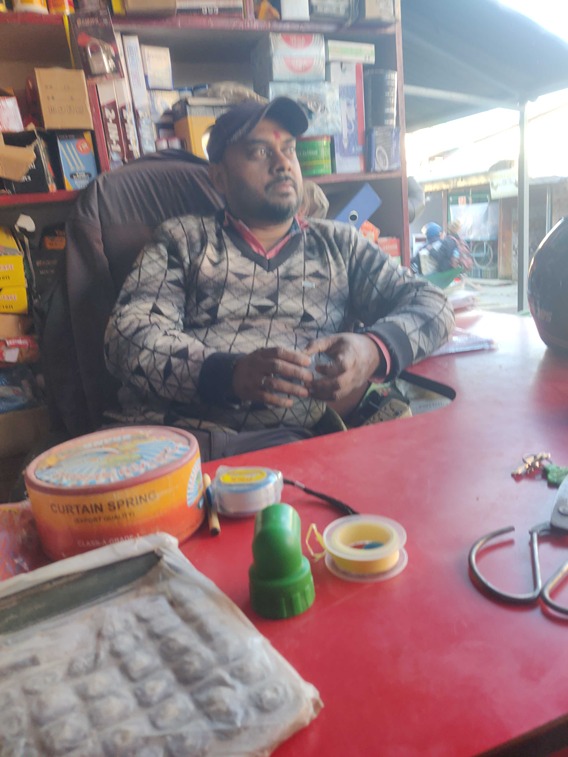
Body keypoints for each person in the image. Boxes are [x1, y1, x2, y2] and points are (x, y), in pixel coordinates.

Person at [104, 97, 454, 461]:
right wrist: (229, 374)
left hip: (301, 449)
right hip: (187, 445)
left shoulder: (340, 244)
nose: (283, 163)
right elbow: (127, 336)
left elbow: (433, 304)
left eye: (289, 149)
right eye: (259, 152)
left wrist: (372, 351)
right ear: (219, 177)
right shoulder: (184, 240)